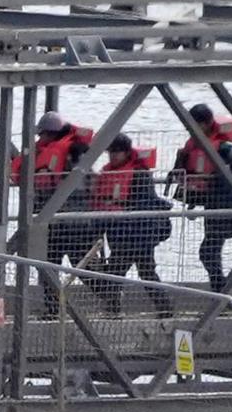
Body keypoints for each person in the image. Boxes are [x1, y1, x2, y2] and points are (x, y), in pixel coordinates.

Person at [82, 133, 175, 317]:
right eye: (111, 153)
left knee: (125, 272)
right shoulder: (108, 173)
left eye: (117, 153)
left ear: (126, 153)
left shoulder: (139, 174)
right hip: (118, 233)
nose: (113, 156)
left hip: (138, 235)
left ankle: (116, 310)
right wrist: (97, 230)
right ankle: (163, 308)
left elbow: (144, 204)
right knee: (139, 272)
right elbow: (100, 206)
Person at [169, 104, 232, 291]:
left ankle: (222, 291)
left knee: (208, 251)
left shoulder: (224, 149)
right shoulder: (191, 148)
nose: (191, 130)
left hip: (228, 207)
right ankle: (221, 290)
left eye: (195, 125)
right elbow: (180, 172)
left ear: (206, 124)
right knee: (209, 252)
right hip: (212, 206)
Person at [10, 111, 98, 287]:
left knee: (81, 268)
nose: (39, 138)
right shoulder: (44, 151)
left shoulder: (74, 152)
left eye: (42, 134)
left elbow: (83, 184)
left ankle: (110, 297)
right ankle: (51, 311)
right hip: (51, 222)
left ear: (51, 134)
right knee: (48, 266)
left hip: (73, 224)